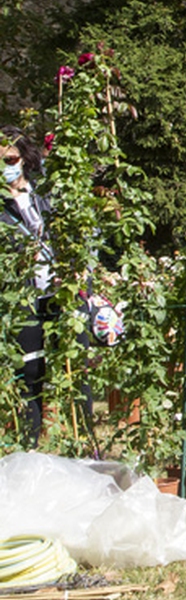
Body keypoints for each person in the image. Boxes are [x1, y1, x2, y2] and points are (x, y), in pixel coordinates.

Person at [3, 129, 53, 436]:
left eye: (10, 159)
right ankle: (31, 438)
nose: (5, 166)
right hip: (23, 295)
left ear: (24, 158)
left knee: (77, 365)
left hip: (57, 289)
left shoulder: (42, 194)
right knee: (30, 368)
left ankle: (85, 444)